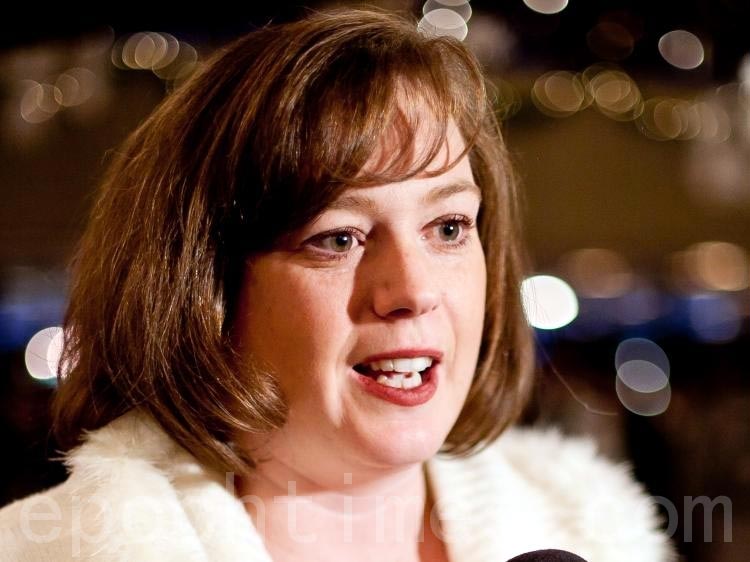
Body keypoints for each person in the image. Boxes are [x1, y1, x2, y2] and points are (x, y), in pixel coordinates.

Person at [0, 9, 674, 561]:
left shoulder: (596, 533)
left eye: (447, 228)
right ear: (204, 287)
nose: (413, 290)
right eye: (338, 238)